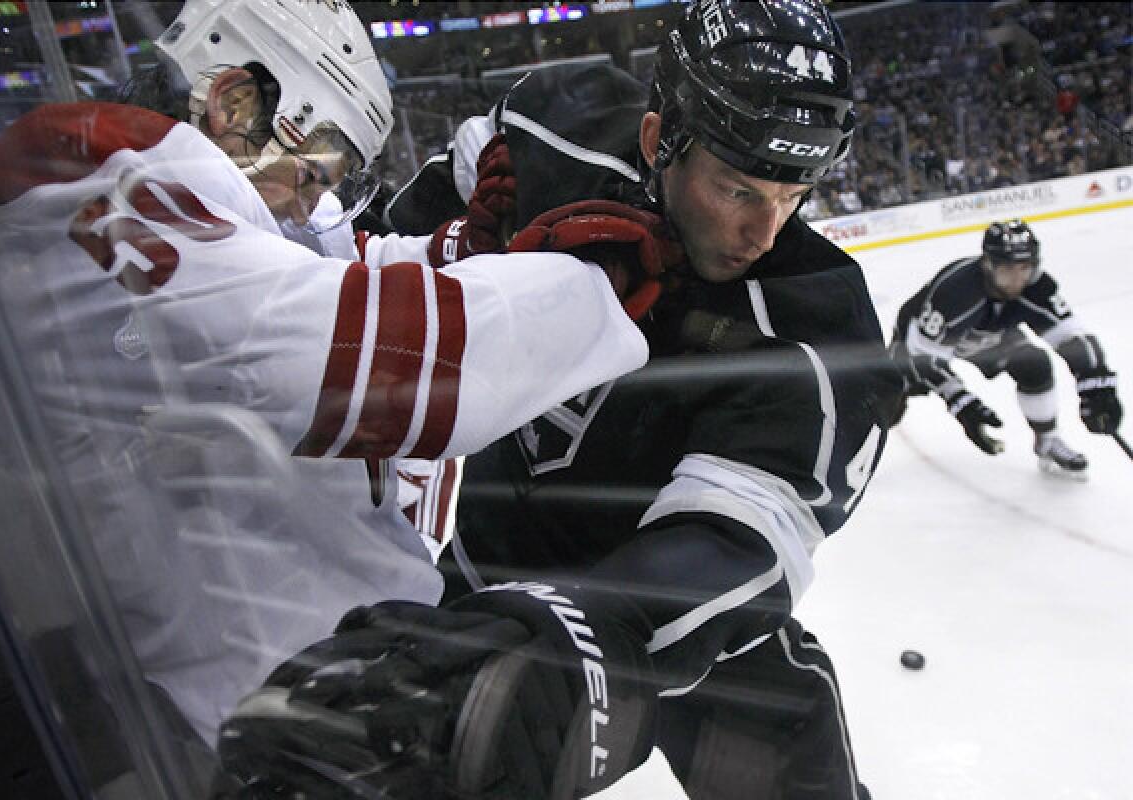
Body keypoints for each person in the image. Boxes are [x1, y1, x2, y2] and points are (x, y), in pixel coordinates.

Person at [0, 0, 676, 785]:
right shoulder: (89, 186)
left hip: (287, 713)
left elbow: (320, 254)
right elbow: (351, 356)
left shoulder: (177, 187)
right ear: (234, 103)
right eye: (325, 162)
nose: (319, 197)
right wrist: (593, 278)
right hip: (221, 743)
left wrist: (461, 248)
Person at [217, 2, 902, 798]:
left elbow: (739, 539)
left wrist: (584, 636)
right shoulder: (562, 130)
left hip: (677, 636)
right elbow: (446, 197)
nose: (767, 231)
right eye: (739, 189)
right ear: (657, 142)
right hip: (483, 576)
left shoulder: (817, 323)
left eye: (796, 193)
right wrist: (460, 239)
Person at [888, 218, 1123, 477]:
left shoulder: (1037, 287)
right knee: (886, 406)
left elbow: (1071, 335)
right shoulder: (956, 292)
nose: (1018, 279)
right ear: (988, 265)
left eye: (1025, 267)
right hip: (919, 345)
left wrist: (1097, 386)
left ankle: (1048, 440)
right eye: (1008, 269)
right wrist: (963, 405)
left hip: (988, 336)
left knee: (1035, 364)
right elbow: (923, 357)